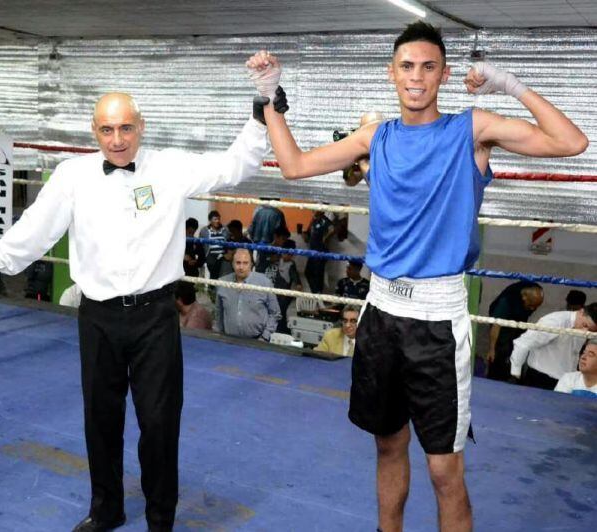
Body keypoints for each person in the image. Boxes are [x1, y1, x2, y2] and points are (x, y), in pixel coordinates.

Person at [247, 19, 588, 532]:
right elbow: (293, 166)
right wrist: (269, 96)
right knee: (387, 445)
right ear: (392, 73)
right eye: (407, 66)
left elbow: (572, 142)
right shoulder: (374, 136)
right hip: (381, 312)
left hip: (437, 321)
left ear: (443, 75)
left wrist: (510, 86)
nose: (416, 77)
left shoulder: (469, 129)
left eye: (428, 67)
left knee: (444, 468)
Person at [0, 92, 269, 532]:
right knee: (100, 421)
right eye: (107, 129)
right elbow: (34, 230)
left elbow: (234, 165)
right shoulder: (73, 176)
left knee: (160, 424)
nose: (117, 139)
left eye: (125, 128)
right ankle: (107, 508)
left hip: (156, 317)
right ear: (95, 131)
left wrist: (259, 121)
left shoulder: (169, 168)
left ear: (141, 126)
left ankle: (160, 518)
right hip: (98, 318)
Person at [509, 303, 597, 389]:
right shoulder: (554, 321)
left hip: (565, 383)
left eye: (591, 330)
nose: (585, 331)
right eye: (585, 325)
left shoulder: (585, 329)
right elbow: (523, 343)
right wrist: (515, 375)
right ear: (581, 311)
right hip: (540, 380)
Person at [215, 248, 280, 341]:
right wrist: (219, 336)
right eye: (238, 263)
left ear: (251, 264)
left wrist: (265, 336)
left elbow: (275, 313)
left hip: (257, 341)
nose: (241, 267)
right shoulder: (222, 283)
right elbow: (219, 312)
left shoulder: (264, 283)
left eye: (245, 263)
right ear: (232, 264)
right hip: (228, 341)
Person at [487, 281, 544, 381]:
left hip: (518, 324)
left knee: (519, 348)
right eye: (531, 305)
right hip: (503, 327)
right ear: (524, 297)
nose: (533, 309)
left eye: (535, 307)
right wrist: (492, 349)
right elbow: (496, 325)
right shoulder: (507, 301)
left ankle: (514, 377)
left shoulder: (534, 290)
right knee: (500, 352)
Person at [260, 237, 302, 334]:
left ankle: (281, 332)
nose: (288, 256)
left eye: (291, 254)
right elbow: (266, 259)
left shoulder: (291, 265)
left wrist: (297, 288)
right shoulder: (277, 259)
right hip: (273, 292)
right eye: (286, 253)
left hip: (284, 295)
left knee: (280, 314)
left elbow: (297, 280)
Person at [303, 210, 333, 293]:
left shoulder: (324, 220)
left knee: (318, 274)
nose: (313, 210)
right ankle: (315, 292)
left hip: (320, 251)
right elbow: (309, 232)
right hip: (312, 251)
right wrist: (305, 235)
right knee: (308, 272)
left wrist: (325, 238)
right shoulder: (314, 220)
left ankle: (318, 293)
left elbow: (332, 229)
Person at [197, 210, 229, 279]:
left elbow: (229, 241)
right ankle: (212, 287)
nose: (217, 221)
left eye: (218, 219)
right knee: (214, 274)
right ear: (210, 220)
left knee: (222, 275)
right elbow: (200, 245)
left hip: (222, 257)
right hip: (211, 256)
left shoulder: (225, 229)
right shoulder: (204, 230)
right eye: (215, 219)